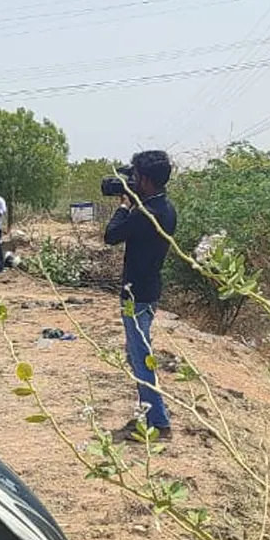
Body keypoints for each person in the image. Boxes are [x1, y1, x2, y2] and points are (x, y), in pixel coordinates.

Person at [103, 150, 178, 443]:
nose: (130, 181)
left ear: (145, 180)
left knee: (141, 359)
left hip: (137, 295)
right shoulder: (165, 208)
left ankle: (157, 423)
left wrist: (124, 206)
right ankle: (152, 416)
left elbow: (111, 235)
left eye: (134, 177)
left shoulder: (146, 213)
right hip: (150, 290)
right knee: (137, 357)